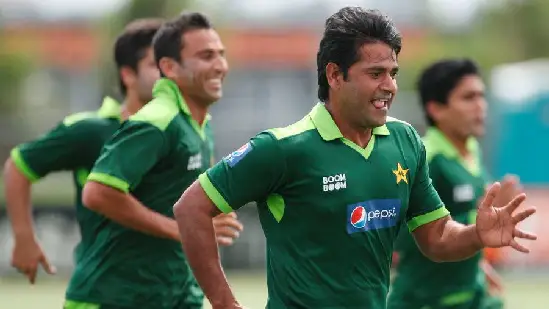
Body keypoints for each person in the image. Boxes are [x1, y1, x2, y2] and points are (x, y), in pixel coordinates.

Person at [172, 7, 538, 309]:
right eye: (375, 73)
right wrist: (224, 303)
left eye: (393, 73)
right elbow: (192, 208)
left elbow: (436, 236)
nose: (390, 86)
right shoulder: (282, 149)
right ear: (334, 74)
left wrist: (477, 234)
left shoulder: (404, 141)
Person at [66, 12, 238, 309]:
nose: (220, 66)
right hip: (115, 298)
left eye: (221, 55)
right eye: (206, 56)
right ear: (170, 67)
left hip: (174, 294)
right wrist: (181, 229)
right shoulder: (157, 121)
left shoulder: (199, 123)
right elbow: (98, 193)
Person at [4, 18, 163, 285]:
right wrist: (23, 237)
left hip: (175, 294)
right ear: (128, 74)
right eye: (155, 65)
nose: (167, 72)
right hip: (104, 292)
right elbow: (18, 166)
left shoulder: (187, 131)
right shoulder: (91, 131)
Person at [387, 59, 514, 309]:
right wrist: (474, 227)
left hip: (472, 295)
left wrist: (477, 264)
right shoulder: (424, 159)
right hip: (425, 301)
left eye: (481, 96)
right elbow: (402, 237)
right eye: (468, 98)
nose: (480, 106)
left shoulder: (471, 150)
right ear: (436, 109)